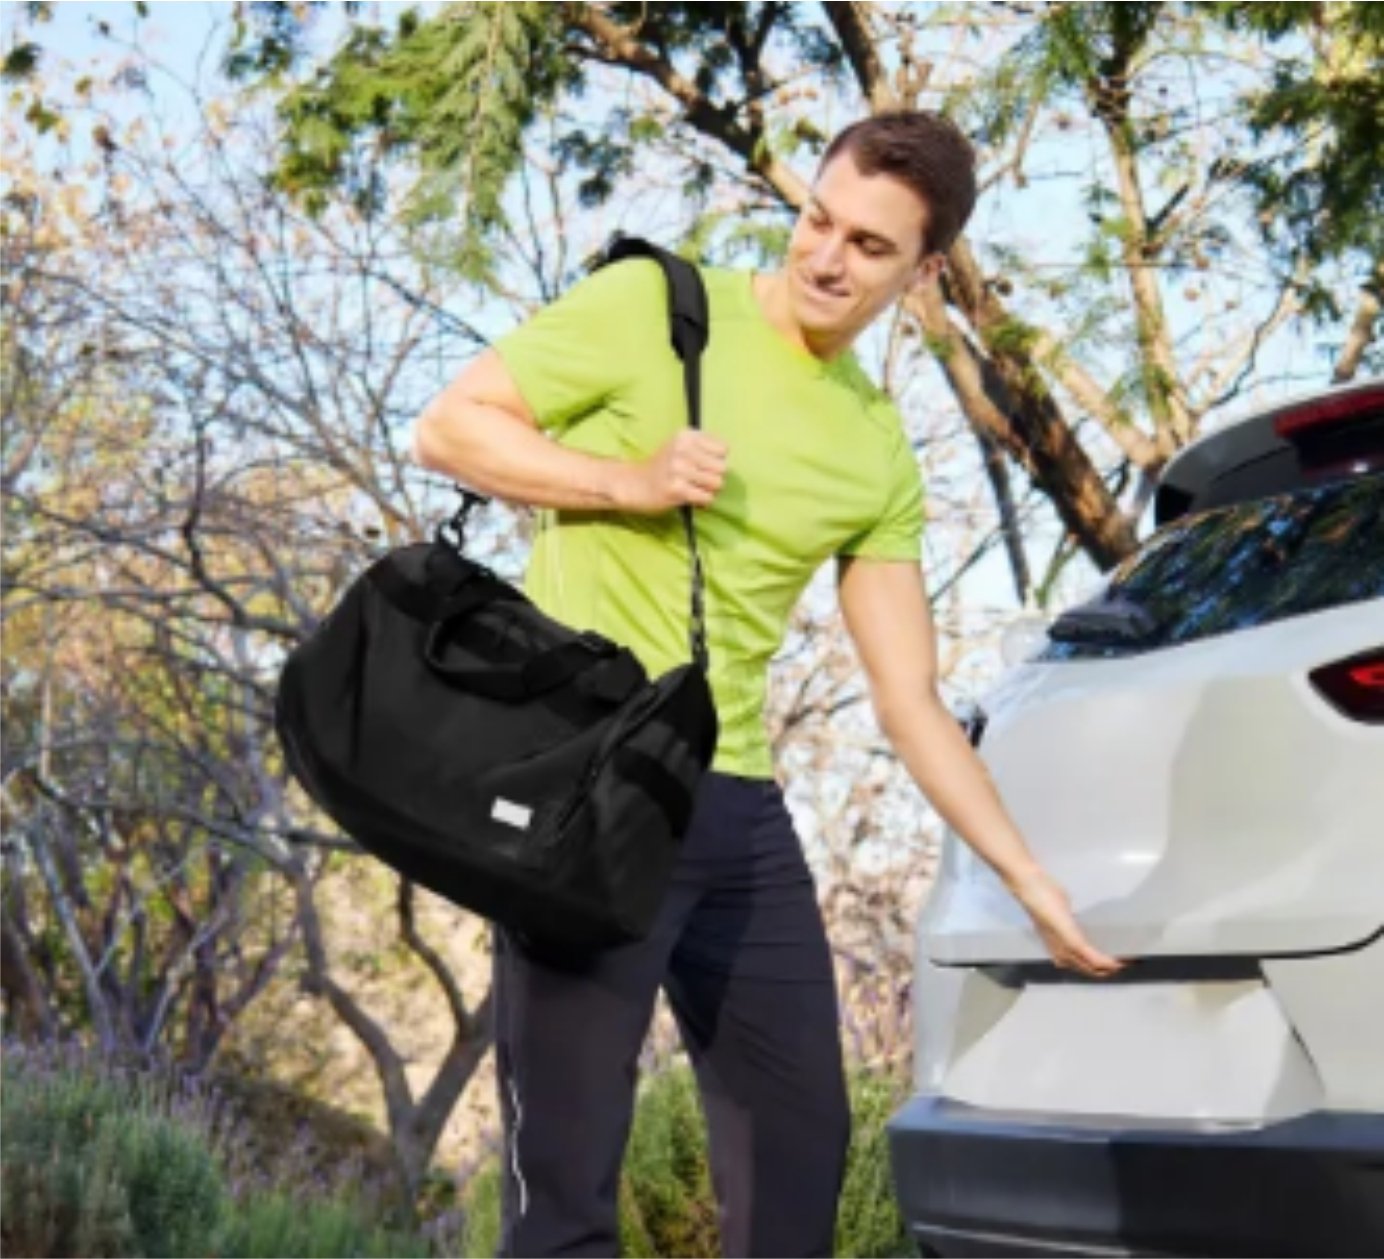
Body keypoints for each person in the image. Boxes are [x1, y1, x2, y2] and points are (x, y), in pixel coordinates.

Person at [412, 110, 1123, 1258]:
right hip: (590, 793)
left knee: (799, 1146)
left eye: (870, 246)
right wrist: (625, 481)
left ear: (925, 269)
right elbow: (449, 429)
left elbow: (908, 697)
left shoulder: (874, 444)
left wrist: (1025, 875)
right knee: (567, 1183)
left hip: (735, 805)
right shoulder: (657, 309)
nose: (827, 258)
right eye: (816, 219)